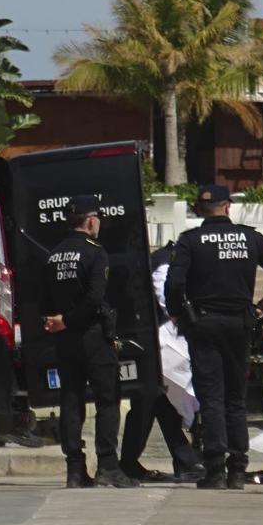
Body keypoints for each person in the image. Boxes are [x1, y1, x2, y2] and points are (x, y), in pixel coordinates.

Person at [165, 185, 263, 490]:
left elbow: (174, 283)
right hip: (240, 323)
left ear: (201, 209)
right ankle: (238, 468)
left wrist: (177, 314)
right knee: (235, 397)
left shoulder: (190, 240)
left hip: (204, 323)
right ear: (228, 207)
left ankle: (215, 470)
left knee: (211, 398)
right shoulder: (250, 237)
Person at [42, 195, 139, 489]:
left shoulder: (53, 254)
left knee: (70, 399)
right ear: (91, 220)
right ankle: (108, 466)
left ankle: (74, 469)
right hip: (92, 336)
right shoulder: (95, 252)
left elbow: (44, 297)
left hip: (64, 339)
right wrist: (71, 320)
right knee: (107, 400)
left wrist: (57, 321)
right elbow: (95, 298)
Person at [118, 241, 206, 483]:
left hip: (158, 343)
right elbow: (167, 300)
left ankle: (183, 460)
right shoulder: (166, 263)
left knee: (158, 404)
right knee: (152, 403)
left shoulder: (169, 259)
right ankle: (180, 460)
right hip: (160, 344)